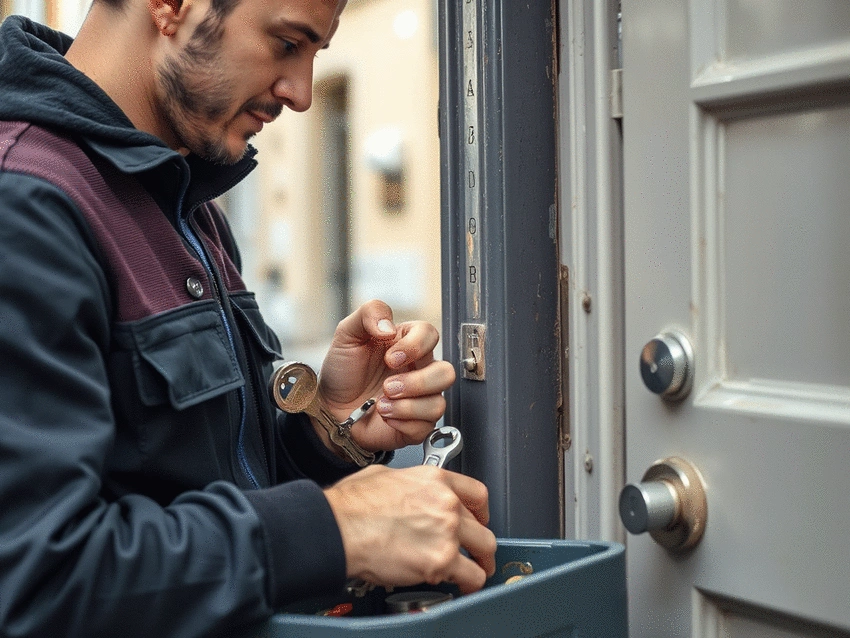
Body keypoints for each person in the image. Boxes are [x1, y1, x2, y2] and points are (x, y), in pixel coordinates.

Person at [0, 0, 497, 635]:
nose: (302, 93)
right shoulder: (27, 203)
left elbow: (207, 489)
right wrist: (337, 528)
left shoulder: (184, 200)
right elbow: (37, 580)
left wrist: (332, 431)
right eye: (288, 43)